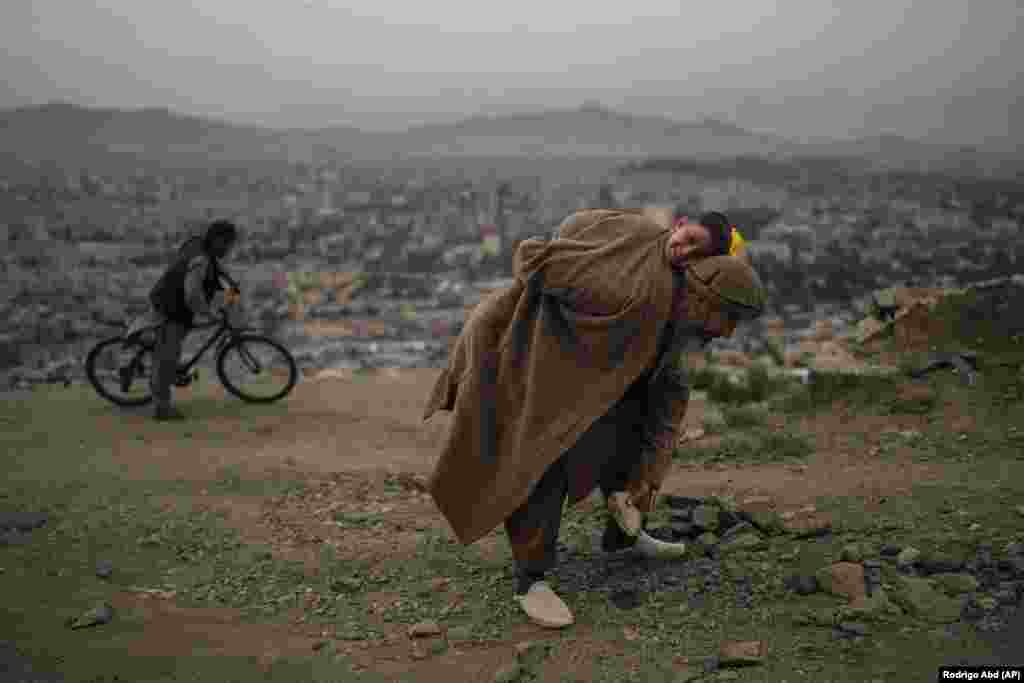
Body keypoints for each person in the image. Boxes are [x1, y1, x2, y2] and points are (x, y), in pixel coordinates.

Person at [423, 208, 767, 629]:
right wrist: (589, 261)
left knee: (629, 422)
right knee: (544, 454)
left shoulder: (675, 323)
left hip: (584, 365)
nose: (728, 332)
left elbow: (666, 406)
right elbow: (535, 259)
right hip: (519, 350)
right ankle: (530, 580)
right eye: (727, 317)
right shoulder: (629, 292)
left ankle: (622, 536)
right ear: (702, 297)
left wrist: (644, 483)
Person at [127, 220, 242, 421]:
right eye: (227, 244)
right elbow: (192, 295)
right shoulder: (201, 261)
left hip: (170, 302)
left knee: (172, 346)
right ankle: (162, 409)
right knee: (166, 359)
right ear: (216, 240)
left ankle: (157, 347)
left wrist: (229, 283)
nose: (228, 249)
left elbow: (212, 267)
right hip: (171, 310)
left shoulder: (197, 244)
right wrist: (208, 313)